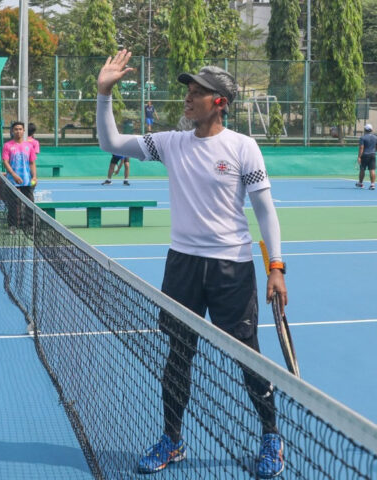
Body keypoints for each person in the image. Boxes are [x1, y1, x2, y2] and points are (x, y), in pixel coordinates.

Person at [96, 51, 288, 479]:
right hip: (182, 265)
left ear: (219, 101)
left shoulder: (243, 147)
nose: (188, 98)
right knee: (178, 355)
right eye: (188, 91)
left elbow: (265, 210)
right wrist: (104, 93)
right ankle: (172, 438)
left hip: (232, 267)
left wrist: (276, 265)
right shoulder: (170, 143)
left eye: (198, 93)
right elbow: (110, 143)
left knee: (247, 357)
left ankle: (271, 436)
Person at [2, 121, 37, 201]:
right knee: (13, 207)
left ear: (24, 131)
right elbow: (5, 162)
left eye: (20, 129)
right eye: (16, 129)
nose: (18, 131)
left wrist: (34, 177)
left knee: (29, 206)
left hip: (27, 180)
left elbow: (32, 163)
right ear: (12, 131)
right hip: (12, 180)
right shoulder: (7, 145)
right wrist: (14, 175)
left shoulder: (29, 146)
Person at [356, 123, 376, 190]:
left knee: (362, 169)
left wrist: (359, 157)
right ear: (371, 130)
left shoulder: (363, 137)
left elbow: (361, 148)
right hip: (372, 155)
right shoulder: (375, 137)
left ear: (365, 130)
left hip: (364, 156)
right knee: (372, 170)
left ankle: (360, 183)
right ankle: (372, 185)